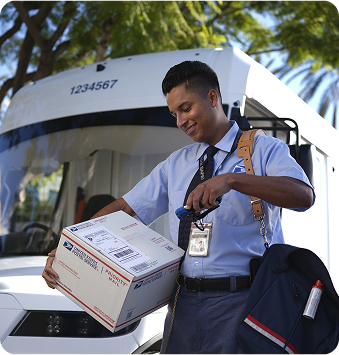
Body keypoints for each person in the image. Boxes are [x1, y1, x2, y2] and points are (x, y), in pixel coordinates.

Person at [42, 60, 314, 354]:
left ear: (212, 98)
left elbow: (303, 196)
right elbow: (126, 208)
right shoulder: (176, 163)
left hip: (243, 303)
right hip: (181, 305)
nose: (180, 121)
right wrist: (70, 248)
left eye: (186, 108)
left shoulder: (264, 149)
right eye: (174, 114)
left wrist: (233, 180)